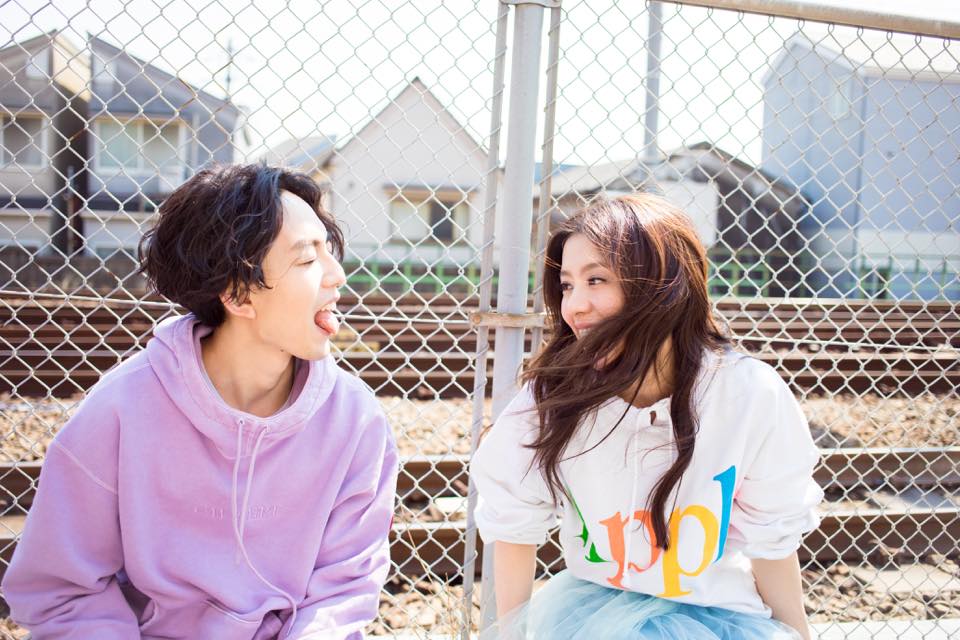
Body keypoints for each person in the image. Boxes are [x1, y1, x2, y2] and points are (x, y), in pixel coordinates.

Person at [3, 164, 398, 639]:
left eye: (328, 250)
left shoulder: (355, 421)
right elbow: (63, 591)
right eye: (307, 258)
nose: (337, 275)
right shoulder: (119, 410)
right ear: (237, 294)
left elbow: (342, 592)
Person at [472, 194, 823, 639]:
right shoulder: (554, 394)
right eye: (567, 286)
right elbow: (513, 522)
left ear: (663, 285)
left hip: (717, 616)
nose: (574, 307)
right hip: (591, 617)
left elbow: (771, 537)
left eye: (596, 280)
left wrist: (797, 633)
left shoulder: (747, 393)